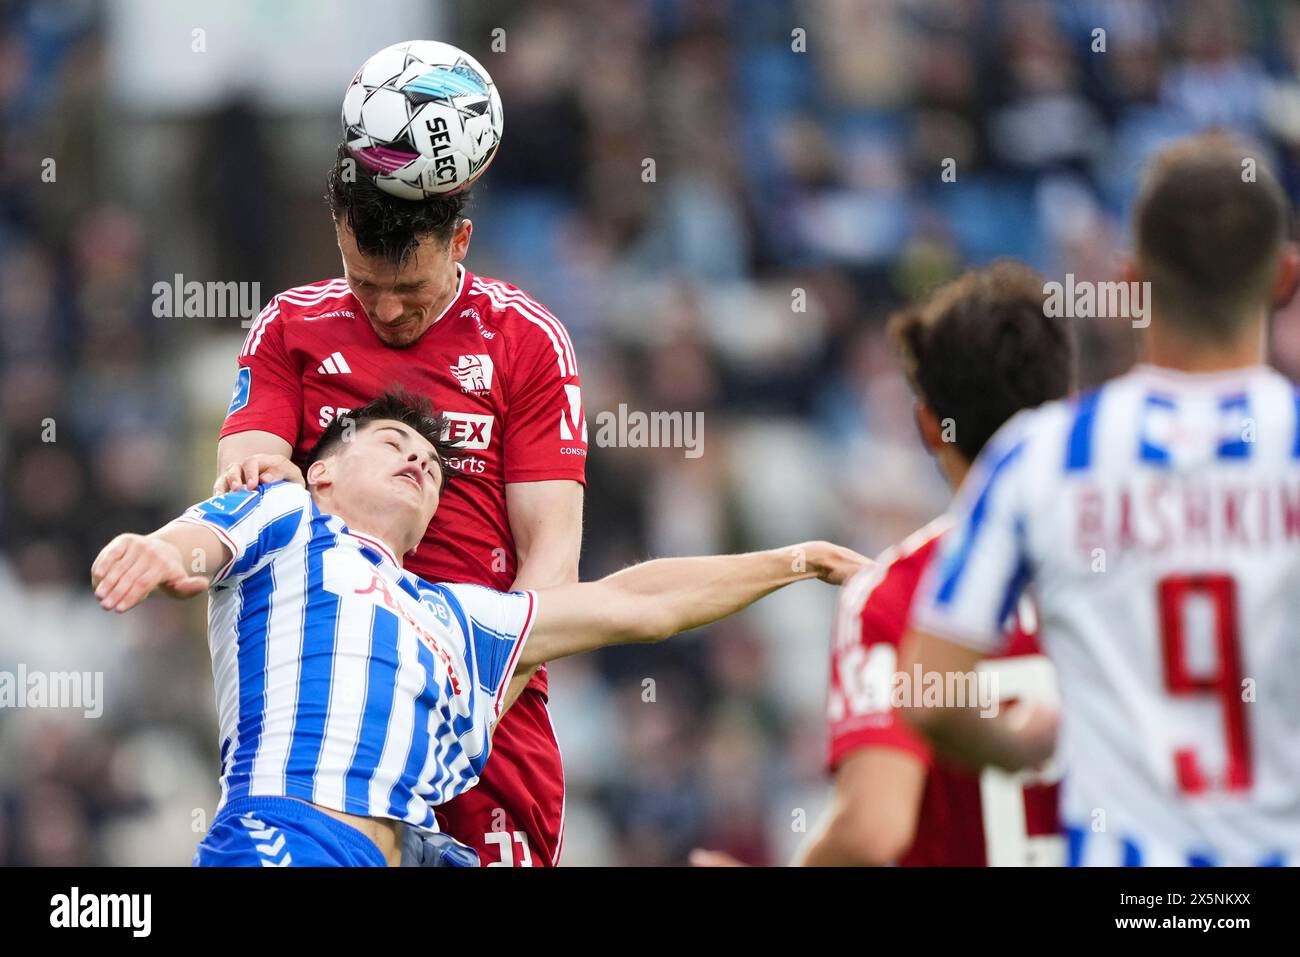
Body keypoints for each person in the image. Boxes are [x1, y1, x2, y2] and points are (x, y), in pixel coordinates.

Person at [91, 391, 866, 867]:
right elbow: (201, 535)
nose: (420, 461)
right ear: (322, 470)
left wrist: (796, 559)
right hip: (286, 835)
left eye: (431, 459)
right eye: (394, 443)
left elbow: (637, 603)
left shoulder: (457, 617)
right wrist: (157, 551)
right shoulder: (291, 517)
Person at [901, 133, 1300, 866]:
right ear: (1283, 276)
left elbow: (926, 691)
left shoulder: (1040, 456)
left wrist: (1023, 743)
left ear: (1129, 280)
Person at [215, 144, 584, 866]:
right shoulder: (291, 328)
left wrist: (461, 711)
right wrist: (260, 473)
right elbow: (243, 482)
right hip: (331, 723)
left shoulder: (525, 340)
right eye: (363, 282)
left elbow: (553, 559)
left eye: (409, 287)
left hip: (487, 721)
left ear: (461, 243)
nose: (385, 309)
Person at [692, 262, 1071, 868]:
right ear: (1066, 405)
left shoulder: (897, 595)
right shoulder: (1133, 572)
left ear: (928, 426)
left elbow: (872, 831)